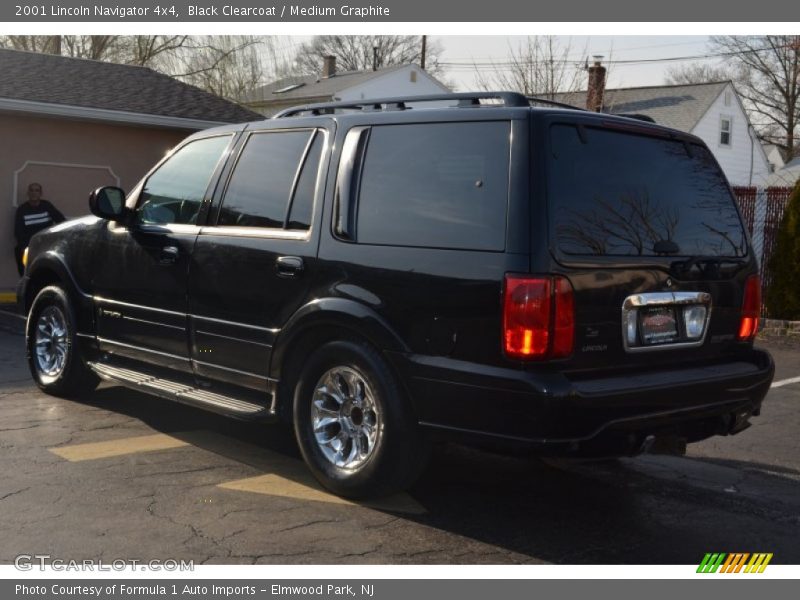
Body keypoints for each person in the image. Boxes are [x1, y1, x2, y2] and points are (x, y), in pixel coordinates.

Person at [14, 182, 66, 276]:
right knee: (19, 254)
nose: (34, 193)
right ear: (28, 193)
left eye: (37, 190)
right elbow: (18, 231)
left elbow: (61, 221)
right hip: (29, 245)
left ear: (40, 193)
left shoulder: (46, 206)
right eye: (31, 190)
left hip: (46, 244)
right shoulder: (22, 210)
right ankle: (25, 280)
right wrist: (25, 247)